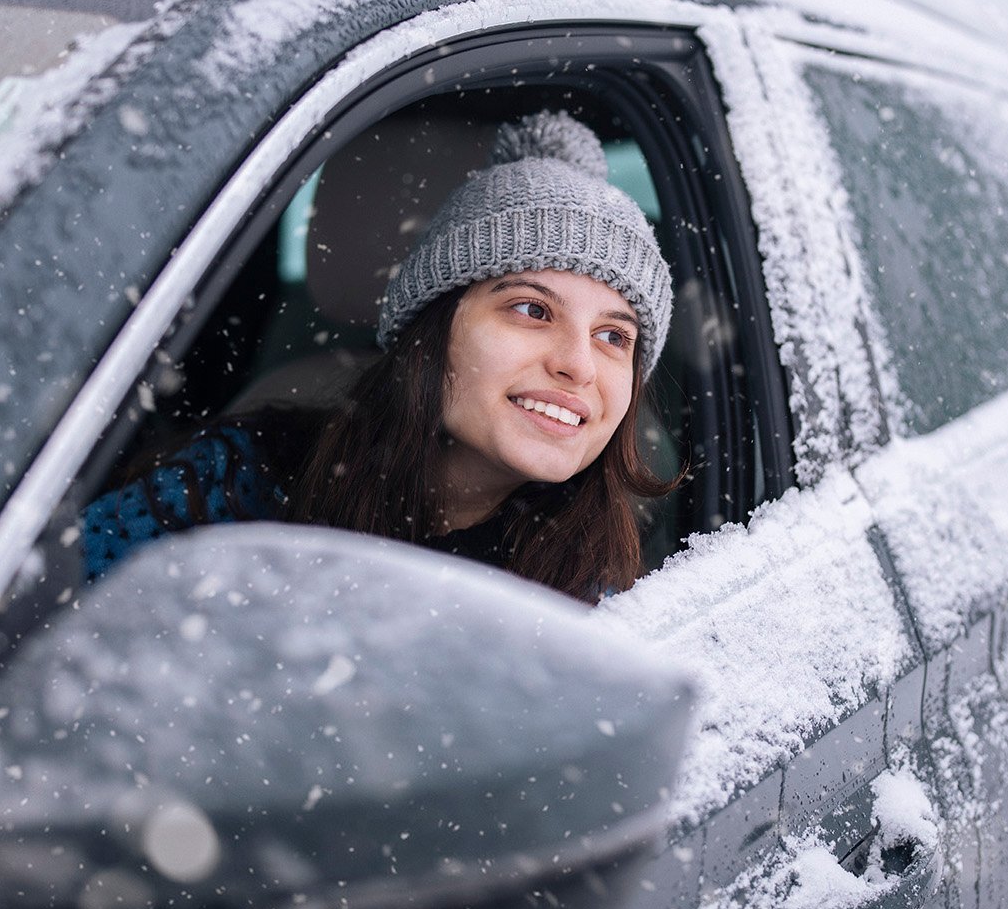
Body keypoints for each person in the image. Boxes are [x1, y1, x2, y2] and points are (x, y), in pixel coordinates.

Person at [79, 110, 679, 602]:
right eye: (532, 310)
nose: (578, 364)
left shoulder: (602, 600)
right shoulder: (239, 481)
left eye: (613, 336)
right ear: (432, 330)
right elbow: (34, 624)